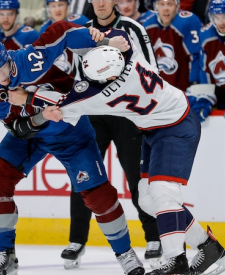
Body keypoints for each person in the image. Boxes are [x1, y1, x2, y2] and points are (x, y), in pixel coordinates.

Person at [8, 28, 225, 275]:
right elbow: (119, 38)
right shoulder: (130, 52)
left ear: (105, 78)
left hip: (175, 127)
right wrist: (103, 38)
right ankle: (209, 248)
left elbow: (60, 104)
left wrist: (27, 99)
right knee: (148, 200)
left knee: (163, 192)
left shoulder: (94, 97)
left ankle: (176, 261)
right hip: (158, 126)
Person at [0, 23, 146, 275]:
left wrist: (100, 39)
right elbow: (19, 129)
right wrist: (40, 115)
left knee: (98, 195)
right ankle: (4, 254)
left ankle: (125, 253)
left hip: (71, 132)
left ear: (8, 58)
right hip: (33, 135)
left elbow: (61, 32)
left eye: (2, 69)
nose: (0, 78)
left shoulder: (29, 59)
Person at [63, 0, 162, 270]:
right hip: (93, 116)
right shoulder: (80, 32)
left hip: (126, 115)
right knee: (83, 176)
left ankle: (154, 237)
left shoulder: (133, 28)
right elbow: (73, 75)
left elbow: (152, 70)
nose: (102, 2)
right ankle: (77, 240)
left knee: (137, 177)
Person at [143, 0, 202, 93]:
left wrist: (194, 85)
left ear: (177, 6)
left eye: (170, 4)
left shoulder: (187, 22)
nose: (166, 8)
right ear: (156, 7)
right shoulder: (148, 26)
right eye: (162, 4)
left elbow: (195, 57)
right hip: (157, 91)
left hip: (184, 91)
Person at [39, 0, 88, 75]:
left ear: (68, 6)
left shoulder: (80, 21)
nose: (57, 10)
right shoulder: (44, 28)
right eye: (53, 6)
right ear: (48, 8)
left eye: (61, 5)